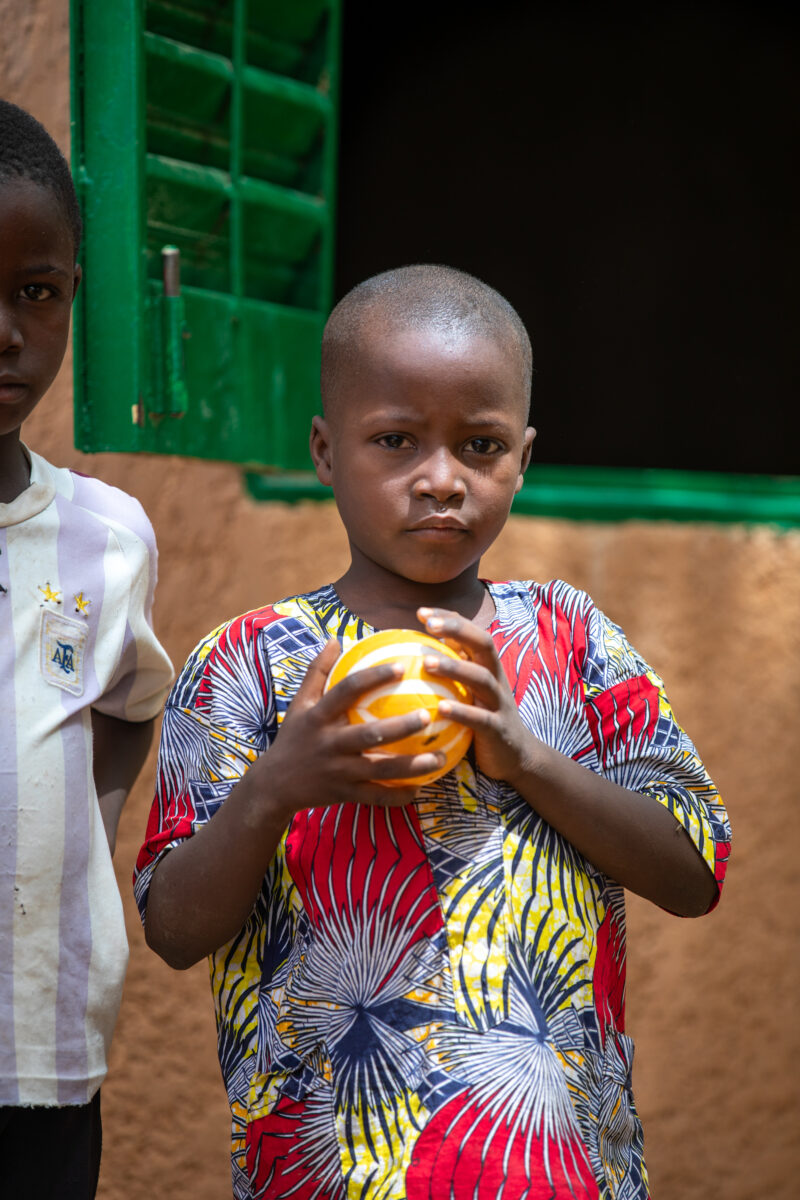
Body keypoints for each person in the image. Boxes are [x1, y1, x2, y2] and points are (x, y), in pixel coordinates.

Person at [135, 264, 730, 1200]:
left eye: (481, 445)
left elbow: (695, 873)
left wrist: (525, 753)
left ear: (523, 459)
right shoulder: (248, 662)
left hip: (560, 1170)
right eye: (397, 440)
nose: (442, 481)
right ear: (327, 452)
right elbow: (171, 928)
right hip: (328, 1177)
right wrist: (277, 783)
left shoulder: (571, 639)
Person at [0, 100, 173, 1198]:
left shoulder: (105, 539)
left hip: (43, 1048)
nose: (6, 333)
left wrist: (82, 844)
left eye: (36, 293)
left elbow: (126, 703)